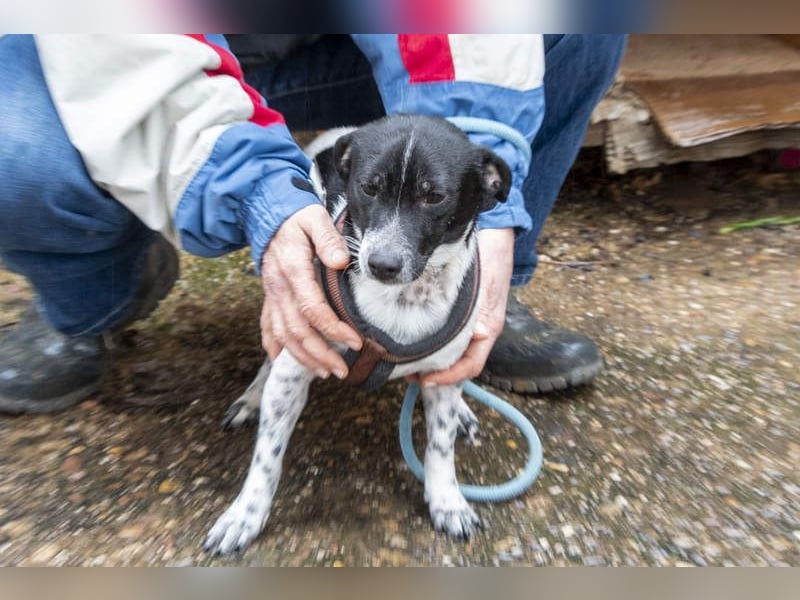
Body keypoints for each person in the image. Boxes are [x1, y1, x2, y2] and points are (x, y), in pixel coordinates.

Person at [0, 34, 626, 414]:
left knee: (583, 19)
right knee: (14, 153)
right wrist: (258, 193)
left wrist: (479, 155)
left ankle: (482, 291)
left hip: (341, 45)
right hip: (128, 56)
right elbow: (115, 40)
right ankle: (91, 288)